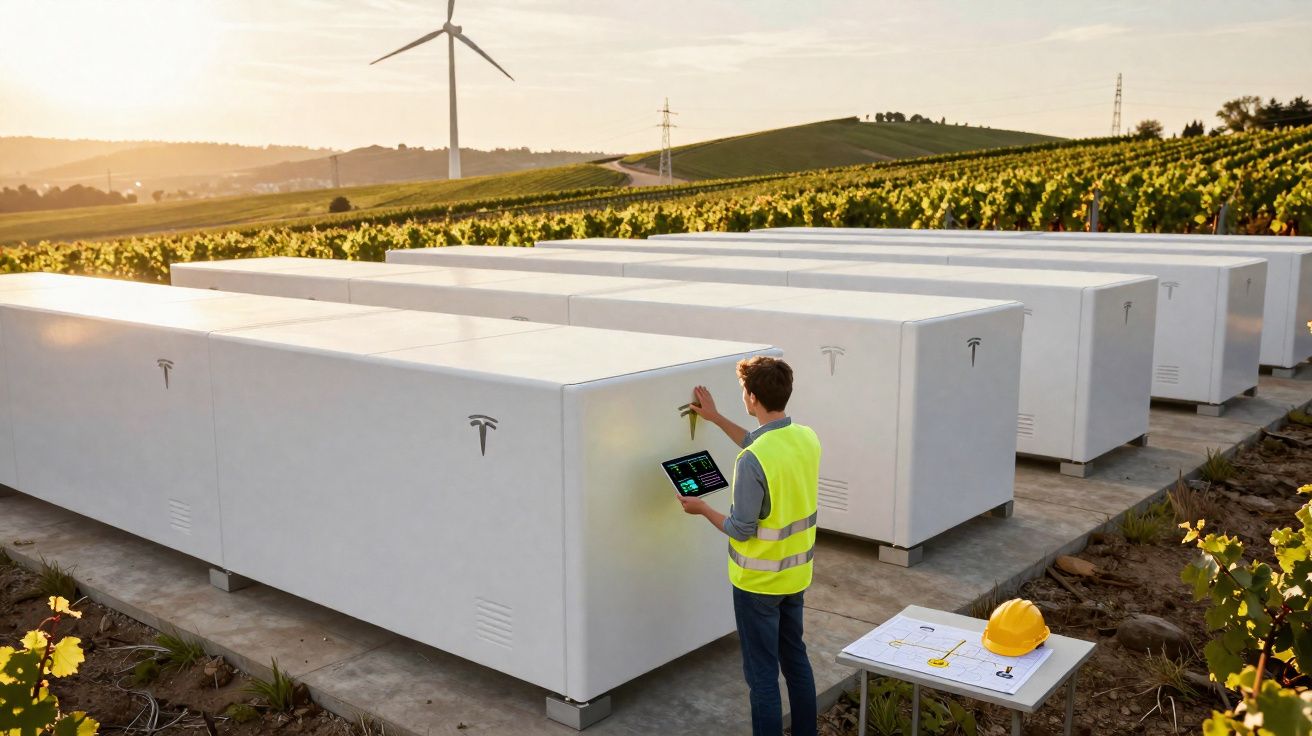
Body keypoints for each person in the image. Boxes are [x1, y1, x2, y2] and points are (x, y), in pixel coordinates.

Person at [678, 356, 821, 736]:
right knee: (796, 662)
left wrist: (702, 509)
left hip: (757, 584)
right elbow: (760, 442)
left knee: (762, 677)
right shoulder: (806, 437)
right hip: (795, 576)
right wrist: (715, 418)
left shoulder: (751, 460)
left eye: (744, 391)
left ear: (753, 398)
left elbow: (741, 529)